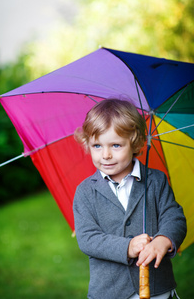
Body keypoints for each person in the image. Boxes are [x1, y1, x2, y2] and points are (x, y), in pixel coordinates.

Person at [73, 99, 187, 299]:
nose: (106, 155)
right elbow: (88, 238)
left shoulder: (155, 180)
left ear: (135, 143)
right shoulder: (85, 192)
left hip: (158, 288)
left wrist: (164, 239)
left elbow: (174, 216)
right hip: (109, 292)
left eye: (116, 145)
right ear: (87, 144)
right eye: (97, 145)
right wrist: (128, 247)